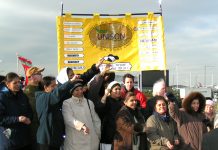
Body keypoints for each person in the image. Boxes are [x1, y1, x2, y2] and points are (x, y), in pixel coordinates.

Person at [35, 75, 81, 150]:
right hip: (46, 140)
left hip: (55, 139)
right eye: (52, 86)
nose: (55, 87)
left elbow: (65, 91)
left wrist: (93, 70)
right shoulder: (42, 98)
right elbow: (58, 92)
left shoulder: (52, 98)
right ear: (45, 87)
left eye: (56, 85)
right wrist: (70, 82)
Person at [62, 81, 101, 150]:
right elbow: (68, 119)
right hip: (75, 142)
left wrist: (97, 135)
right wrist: (81, 126)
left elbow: (96, 120)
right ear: (72, 92)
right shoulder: (67, 103)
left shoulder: (89, 102)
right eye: (77, 90)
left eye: (81, 89)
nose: (80, 91)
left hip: (91, 140)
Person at [0, 72, 33, 149]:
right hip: (9, 140)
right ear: (7, 84)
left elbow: (29, 111)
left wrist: (29, 118)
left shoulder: (23, 96)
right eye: (15, 83)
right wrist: (17, 119)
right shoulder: (2, 97)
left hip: (24, 139)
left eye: (19, 82)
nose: (18, 84)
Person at [24, 66, 44, 149]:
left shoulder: (39, 88)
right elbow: (36, 108)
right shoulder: (29, 91)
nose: (41, 75)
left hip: (40, 124)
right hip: (35, 125)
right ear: (31, 76)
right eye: (38, 74)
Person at [99, 81, 123, 150]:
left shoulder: (122, 102)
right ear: (110, 90)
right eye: (116, 89)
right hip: (108, 135)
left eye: (119, 89)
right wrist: (105, 95)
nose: (118, 91)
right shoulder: (107, 100)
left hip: (119, 135)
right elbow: (100, 109)